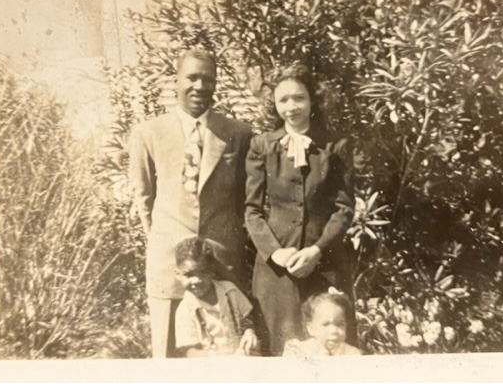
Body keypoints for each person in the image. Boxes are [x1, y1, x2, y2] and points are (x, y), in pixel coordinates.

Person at [129, 49, 253, 358]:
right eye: (192, 78)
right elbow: (144, 198)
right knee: (169, 357)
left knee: (231, 356)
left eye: (207, 79)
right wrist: (164, 240)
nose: (199, 86)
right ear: (176, 81)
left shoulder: (238, 133)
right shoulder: (149, 133)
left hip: (222, 263)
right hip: (170, 264)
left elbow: (244, 197)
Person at [244, 63, 356, 356]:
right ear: (274, 104)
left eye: (299, 98)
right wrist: (276, 252)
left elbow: (344, 209)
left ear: (312, 99)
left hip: (324, 266)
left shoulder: (335, 146)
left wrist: (317, 250)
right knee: (280, 353)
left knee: (330, 352)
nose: (291, 107)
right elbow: (252, 211)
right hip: (276, 274)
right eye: (283, 100)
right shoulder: (262, 146)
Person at [173, 237, 258, 357]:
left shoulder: (230, 290)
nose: (196, 280)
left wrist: (249, 332)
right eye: (189, 274)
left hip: (241, 357)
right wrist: (217, 358)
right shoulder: (185, 310)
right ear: (178, 274)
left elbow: (247, 317)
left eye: (203, 273)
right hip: (210, 368)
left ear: (212, 270)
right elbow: (190, 352)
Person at [283, 289, 362, 357]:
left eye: (340, 324)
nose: (334, 331)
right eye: (326, 324)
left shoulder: (351, 353)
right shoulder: (300, 350)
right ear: (311, 328)